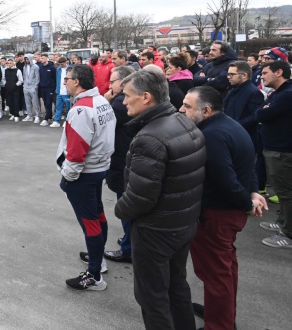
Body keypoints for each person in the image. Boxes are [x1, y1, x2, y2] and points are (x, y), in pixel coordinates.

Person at [115, 70, 206, 330]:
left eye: (127, 96)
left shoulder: (149, 138)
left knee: (152, 297)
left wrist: (120, 209)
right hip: (183, 223)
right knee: (176, 286)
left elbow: (139, 197)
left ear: (145, 97)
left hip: (157, 231)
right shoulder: (184, 121)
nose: (123, 102)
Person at [178, 86, 267, 329]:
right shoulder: (229, 125)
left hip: (217, 216)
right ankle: (220, 312)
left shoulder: (213, 135)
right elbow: (248, 165)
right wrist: (252, 193)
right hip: (225, 213)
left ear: (206, 111)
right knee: (225, 270)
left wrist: (247, 202)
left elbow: (226, 179)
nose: (181, 109)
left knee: (216, 274)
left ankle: (219, 324)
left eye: (187, 106)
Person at [56, 64, 116, 291]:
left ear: (77, 82)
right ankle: (97, 260)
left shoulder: (81, 110)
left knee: (90, 221)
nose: (65, 83)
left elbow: (77, 151)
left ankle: (94, 276)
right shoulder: (101, 102)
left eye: (67, 79)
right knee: (97, 214)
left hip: (84, 173)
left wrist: (68, 177)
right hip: (98, 168)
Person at [102, 65, 136, 263]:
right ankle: (129, 241)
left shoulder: (119, 105)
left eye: (112, 81)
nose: (109, 84)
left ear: (123, 83)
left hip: (123, 160)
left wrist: (106, 103)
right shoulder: (123, 101)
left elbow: (103, 125)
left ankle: (128, 249)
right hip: (125, 157)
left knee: (125, 206)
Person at [256, 61, 292, 248]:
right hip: (276, 149)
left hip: (283, 151)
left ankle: (288, 234)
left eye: (265, 72)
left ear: (279, 72)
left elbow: (261, 115)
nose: (261, 76)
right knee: (282, 191)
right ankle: (282, 224)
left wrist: (264, 111)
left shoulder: (286, 95)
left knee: (286, 193)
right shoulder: (279, 94)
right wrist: (264, 110)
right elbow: (261, 112)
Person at [224, 61, 264, 139]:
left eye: (232, 74)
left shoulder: (253, 92)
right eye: (228, 74)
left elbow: (255, 116)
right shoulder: (233, 89)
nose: (228, 77)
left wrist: (235, 125)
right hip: (230, 132)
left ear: (244, 75)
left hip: (244, 135)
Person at [51, 57, 71, 127]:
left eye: (62, 64)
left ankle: (67, 121)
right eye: (60, 64)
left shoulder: (70, 69)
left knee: (68, 107)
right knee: (58, 107)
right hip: (59, 91)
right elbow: (57, 79)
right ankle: (57, 121)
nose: (61, 65)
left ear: (66, 62)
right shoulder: (58, 69)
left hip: (67, 92)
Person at [37, 53, 57, 126]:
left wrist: (54, 88)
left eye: (43, 58)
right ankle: (50, 117)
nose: (41, 60)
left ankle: (46, 119)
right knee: (45, 103)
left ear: (46, 58)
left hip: (50, 88)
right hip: (42, 87)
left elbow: (55, 78)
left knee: (49, 103)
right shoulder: (41, 67)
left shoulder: (52, 67)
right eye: (41, 58)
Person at [22, 54, 41, 123]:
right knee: (27, 102)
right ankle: (29, 115)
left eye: (28, 59)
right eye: (26, 59)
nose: (27, 60)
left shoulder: (35, 67)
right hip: (26, 86)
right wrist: (24, 85)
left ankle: (37, 115)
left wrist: (36, 86)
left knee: (36, 102)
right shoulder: (24, 67)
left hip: (33, 87)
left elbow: (37, 77)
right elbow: (24, 76)